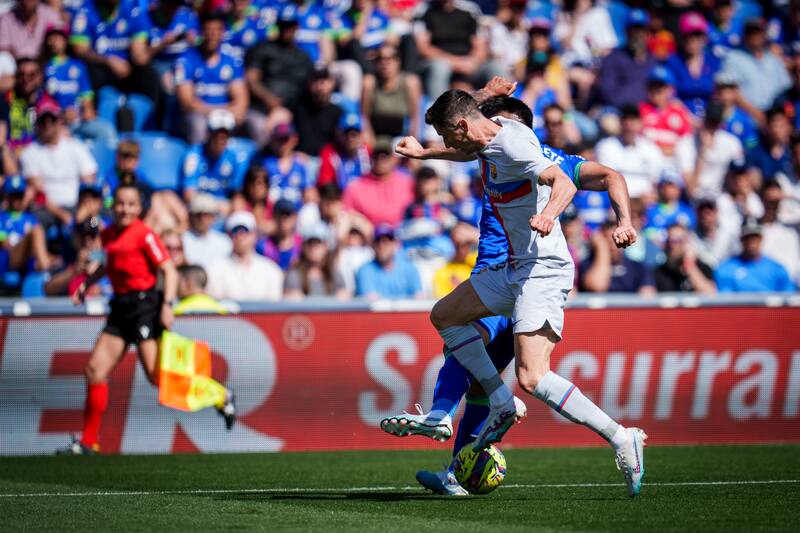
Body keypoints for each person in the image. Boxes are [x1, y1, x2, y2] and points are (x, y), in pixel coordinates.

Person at [387, 93, 645, 497]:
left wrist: (549, 214)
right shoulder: (491, 137)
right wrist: (425, 154)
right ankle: (498, 402)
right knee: (445, 315)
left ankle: (620, 436)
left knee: (532, 376)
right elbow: (466, 149)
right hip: (512, 268)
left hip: (544, 268)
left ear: (462, 127)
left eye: (445, 135)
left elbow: (562, 181)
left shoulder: (515, 144)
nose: (448, 142)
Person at [55, 182, 235, 455]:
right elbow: (109, 263)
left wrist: (167, 305)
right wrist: (85, 283)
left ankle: (220, 395)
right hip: (121, 308)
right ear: (112, 206)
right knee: (94, 370)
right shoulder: (109, 234)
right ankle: (89, 442)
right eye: (120, 203)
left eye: (130, 204)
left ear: (139, 209)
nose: (124, 209)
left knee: (157, 377)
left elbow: (169, 271)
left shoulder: (144, 235)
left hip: (144, 307)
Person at [69, 0, 161, 111]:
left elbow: (139, 49)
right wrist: (109, 61)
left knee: (151, 74)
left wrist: (139, 56)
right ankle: (94, 116)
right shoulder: (84, 11)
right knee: (86, 71)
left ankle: (149, 119)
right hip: (99, 66)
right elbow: (80, 50)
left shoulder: (132, 8)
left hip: (127, 65)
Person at [174, 12, 248, 144]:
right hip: (200, 116)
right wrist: (218, 112)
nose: (211, 35)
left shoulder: (232, 60)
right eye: (208, 30)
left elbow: (241, 99)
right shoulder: (185, 60)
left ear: (222, 32)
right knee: (198, 126)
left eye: (216, 31)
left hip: (228, 115)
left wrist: (231, 113)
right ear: (201, 32)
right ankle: (199, 162)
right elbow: (186, 102)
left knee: (256, 124)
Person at [244, 5, 312, 148]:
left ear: (297, 27)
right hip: (261, 108)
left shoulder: (304, 57)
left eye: (290, 26)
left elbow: (309, 88)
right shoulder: (263, 49)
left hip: (292, 109)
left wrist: (286, 109)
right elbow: (251, 78)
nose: (287, 30)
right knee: (259, 128)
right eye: (283, 25)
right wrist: (268, 99)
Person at [20, 100, 98, 223]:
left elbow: (89, 181)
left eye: (52, 120)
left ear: (59, 121)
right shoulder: (29, 153)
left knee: (94, 222)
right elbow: (39, 193)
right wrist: (61, 214)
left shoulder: (76, 147)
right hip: (46, 209)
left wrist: (84, 208)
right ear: (37, 124)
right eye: (43, 121)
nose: (48, 125)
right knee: (32, 225)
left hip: (77, 204)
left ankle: (97, 239)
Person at [414, 0, 504, 99]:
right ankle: (440, 110)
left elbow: (480, 44)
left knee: (496, 67)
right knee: (440, 67)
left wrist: (473, 62)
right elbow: (423, 47)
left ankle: (508, 109)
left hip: (468, 63)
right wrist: (455, 63)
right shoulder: (423, 9)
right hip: (438, 63)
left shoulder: (470, 9)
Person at [206, 210, 283, 301]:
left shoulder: (271, 270)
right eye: (235, 231)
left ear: (254, 234)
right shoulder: (215, 268)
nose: (240, 236)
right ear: (229, 235)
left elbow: (274, 307)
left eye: (245, 231)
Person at [181, 109, 248, 212]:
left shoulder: (234, 157)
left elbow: (237, 194)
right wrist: (214, 205)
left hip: (224, 211)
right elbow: (188, 194)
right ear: (209, 133)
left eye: (226, 133)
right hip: (199, 210)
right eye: (217, 132)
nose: (221, 137)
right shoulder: (194, 155)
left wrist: (234, 207)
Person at [720, 18, 791, 113]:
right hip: (746, 115)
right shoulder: (734, 57)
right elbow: (731, 92)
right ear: (745, 35)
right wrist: (757, 115)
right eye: (751, 33)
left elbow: (786, 87)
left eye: (758, 33)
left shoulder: (774, 59)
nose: (755, 36)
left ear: (764, 35)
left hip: (775, 115)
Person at [595, 105, 665, 201]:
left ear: (640, 123)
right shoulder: (606, 146)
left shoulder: (652, 149)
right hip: (616, 200)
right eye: (625, 120)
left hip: (645, 202)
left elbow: (655, 181)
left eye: (633, 120)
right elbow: (605, 179)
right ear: (620, 123)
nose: (628, 125)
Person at [677, 101, 745, 199]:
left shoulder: (732, 142)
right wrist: (703, 151)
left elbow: (741, 176)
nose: (711, 127)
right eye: (709, 122)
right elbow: (690, 190)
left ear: (721, 124)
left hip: (721, 196)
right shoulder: (686, 143)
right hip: (696, 199)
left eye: (715, 123)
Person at [596, 8, 657, 111]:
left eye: (641, 30)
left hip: (648, 112)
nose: (637, 34)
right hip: (619, 111)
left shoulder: (654, 60)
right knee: (610, 123)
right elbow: (607, 93)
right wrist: (632, 109)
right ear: (626, 32)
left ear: (648, 33)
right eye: (633, 30)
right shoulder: (613, 58)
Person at [361, 43, 421, 146]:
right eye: (380, 59)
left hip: (402, 138)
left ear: (398, 61)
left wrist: (410, 143)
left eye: (389, 58)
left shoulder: (409, 82)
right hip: (376, 137)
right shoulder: (369, 83)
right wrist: (368, 136)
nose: (384, 63)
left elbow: (415, 119)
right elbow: (364, 116)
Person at [341, 143, 414, 228]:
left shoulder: (408, 182)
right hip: (370, 234)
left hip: (404, 231)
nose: (380, 160)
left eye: (385, 157)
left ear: (394, 159)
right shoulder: (355, 186)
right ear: (371, 158)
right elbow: (347, 212)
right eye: (377, 156)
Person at [663, 12, 720, 118]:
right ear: (682, 37)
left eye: (697, 35)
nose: (692, 39)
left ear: (704, 37)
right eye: (688, 35)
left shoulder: (714, 62)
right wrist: (690, 120)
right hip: (681, 120)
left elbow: (719, 96)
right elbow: (670, 97)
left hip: (710, 121)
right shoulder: (673, 62)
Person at [715, 218, 794, 292]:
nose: (751, 242)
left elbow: (788, 299)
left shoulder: (777, 269)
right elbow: (726, 300)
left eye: (755, 237)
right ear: (741, 239)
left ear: (761, 238)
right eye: (747, 237)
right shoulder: (726, 269)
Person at [639, 66, 694, 159]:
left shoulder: (679, 111)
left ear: (670, 89)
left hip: (674, 160)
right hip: (647, 159)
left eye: (660, 87)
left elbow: (687, 141)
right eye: (652, 86)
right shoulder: (641, 110)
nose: (656, 91)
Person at [355, 224, 422, 299]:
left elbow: (418, 296)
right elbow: (370, 301)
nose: (382, 245)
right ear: (372, 245)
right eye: (378, 241)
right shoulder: (364, 271)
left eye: (387, 241)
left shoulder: (410, 268)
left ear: (395, 244)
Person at [0, 175, 50, 273]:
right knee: (35, 231)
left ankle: (44, 265)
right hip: (8, 260)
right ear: (7, 196)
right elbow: (5, 244)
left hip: (27, 260)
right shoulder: (2, 217)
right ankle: (45, 268)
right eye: (13, 196)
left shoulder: (30, 218)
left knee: (37, 230)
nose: (17, 200)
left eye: (19, 195)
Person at [284, 224, 348, 300]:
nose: (313, 247)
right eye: (309, 243)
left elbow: (343, 299)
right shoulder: (294, 274)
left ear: (326, 246)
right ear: (303, 247)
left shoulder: (334, 274)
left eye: (318, 243)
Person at [262, 122, 315, 211]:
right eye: (279, 139)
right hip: (272, 212)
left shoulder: (301, 164)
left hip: (295, 212)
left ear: (294, 140)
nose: (282, 144)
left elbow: (309, 192)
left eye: (285, 139)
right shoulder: (266, 164)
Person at [316, 112, 372, 191]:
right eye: (346, 134)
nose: (350, 138)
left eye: (354, 134)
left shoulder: (368, 152)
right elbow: (325, 181)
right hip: (338, 198)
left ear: (360, 135)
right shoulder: (330, 152)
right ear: (339, 134)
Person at [654, 223, 716, 293]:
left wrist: (689, 265)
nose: (672, 245)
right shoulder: (659, 272)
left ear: (687, 242)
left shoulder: (703, 268)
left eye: (677, 240)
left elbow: (710, 295)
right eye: (669, 240)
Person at [181, 193, 232, 269]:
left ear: (214, 217)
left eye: (207, 214)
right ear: (191, 216)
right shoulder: (182, 240)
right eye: (198, 214)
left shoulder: (224, 241)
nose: (202, 219)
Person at [432, 222, 477, 298]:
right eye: (457, 245)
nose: (462, 249)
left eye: (468, 243)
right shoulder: (443, 272)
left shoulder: (479, 264)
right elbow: (440, 299)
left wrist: (476, 236)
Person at [259, 198, 302, 271]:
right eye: (280, 215)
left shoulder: (302, 246)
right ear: (274, 217)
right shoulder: (262, 246)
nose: (283, 219)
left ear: (294, 218)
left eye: (287, 215)